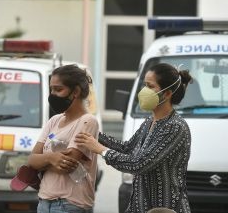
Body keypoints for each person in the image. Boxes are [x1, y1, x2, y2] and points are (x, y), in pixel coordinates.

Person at [74, 63, 193, 213]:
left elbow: (139, 164)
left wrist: (101, 150)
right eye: (144, 85)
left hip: (165, 208)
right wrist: (95, 135)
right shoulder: (150, 122)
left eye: (150, 86)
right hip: (140, 206)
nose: (144, 91)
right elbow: (127, 148)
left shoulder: (175, 127)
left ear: (167, 93)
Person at [27, 65, 99, 213]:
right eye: (51, 89)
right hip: (44, 201)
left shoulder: (87, 121)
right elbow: (31, 160)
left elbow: (67, 164)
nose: (52, 95)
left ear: (76, 92)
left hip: (69, 204)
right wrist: (51, 158)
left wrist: (42, 161)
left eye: (58, 89)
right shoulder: (54, 120)